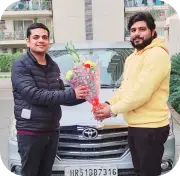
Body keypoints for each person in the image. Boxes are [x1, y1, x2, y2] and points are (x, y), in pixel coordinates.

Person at [94, 12, 170, 176]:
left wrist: (112, 111)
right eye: (133, 30)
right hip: (136, 125)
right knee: (139, 171)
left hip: (151, 127)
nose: (137, 33)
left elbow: (141, 93)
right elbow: (125, 89)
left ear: (153, 30)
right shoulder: (132, 58)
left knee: (148, 172)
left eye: (142, 29)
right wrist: (108, 103)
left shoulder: (157, 54)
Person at [11, 23, 88, 176]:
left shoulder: (52, 66)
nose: (41, 40)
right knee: (30, 173)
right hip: (30, 132)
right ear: (28, 41)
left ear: (49, 41)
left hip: (52, 130)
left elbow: (59, 94)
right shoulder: (20, 65)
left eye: (45, 37)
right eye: (36, 37)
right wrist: (72, 93)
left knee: (45, 173)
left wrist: (87, 94)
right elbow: (33, 94)